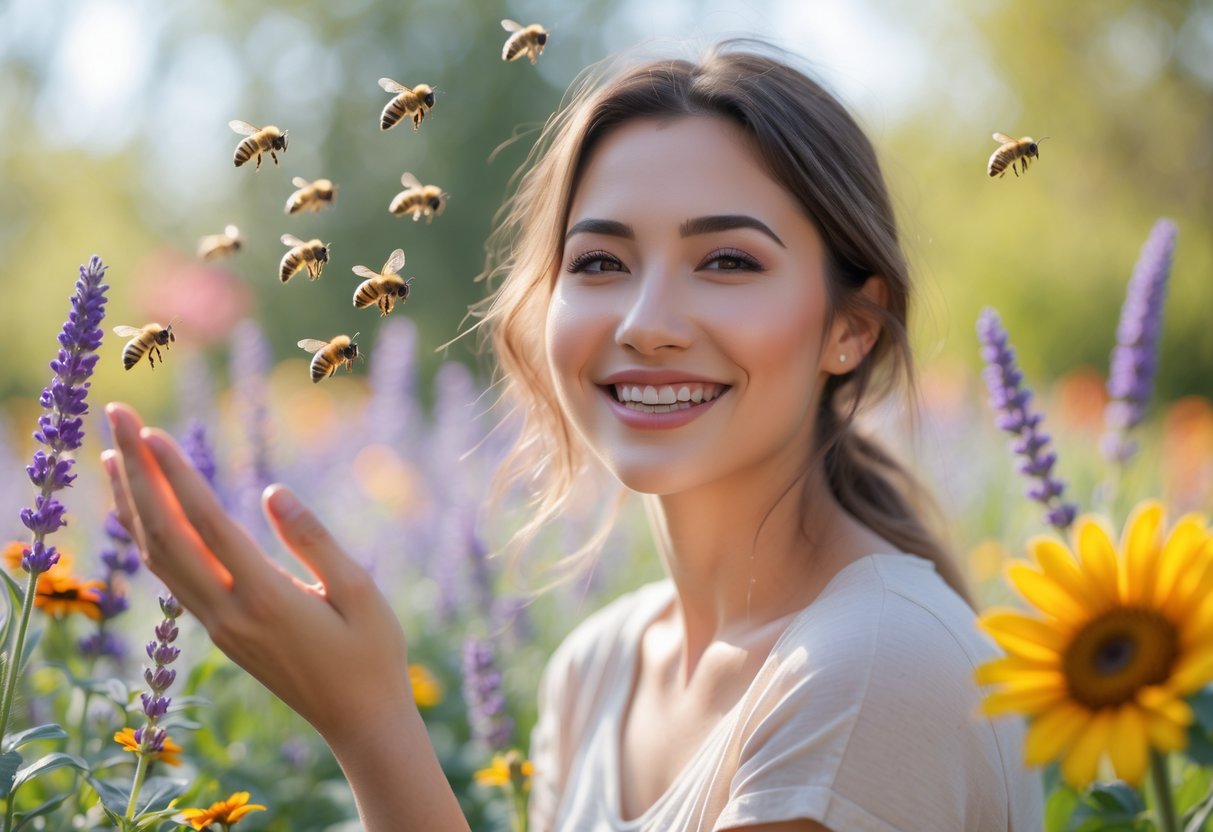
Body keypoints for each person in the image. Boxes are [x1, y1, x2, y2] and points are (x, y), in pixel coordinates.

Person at [102, 39, 1043, 832]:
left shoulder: (873, 670)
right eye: (598, 261)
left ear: (852, 326)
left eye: (726, 260)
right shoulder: (597, 669)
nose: (645, 321)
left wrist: (370, 722)